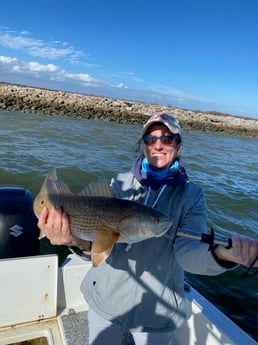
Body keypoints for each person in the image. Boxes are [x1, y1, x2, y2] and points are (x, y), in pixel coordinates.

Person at [38, 113, 258, 345]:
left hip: (157, 314)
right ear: (143, 145)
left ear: (179, 145)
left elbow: (188, 254)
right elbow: (93, 244)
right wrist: (74, 240)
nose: (158, 145)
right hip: (105, 302)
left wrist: (224, 255)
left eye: (167, 139)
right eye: (150, 139)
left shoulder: (192, 197)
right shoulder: (119, 184)